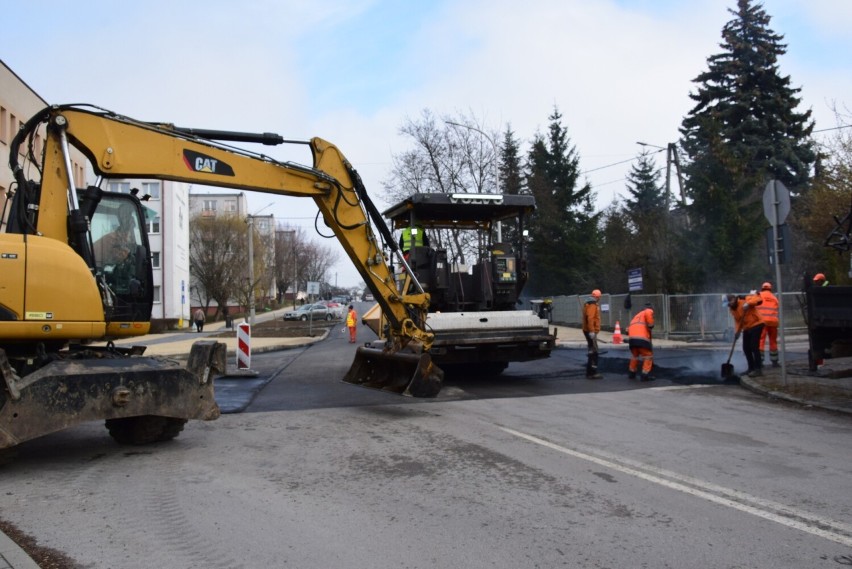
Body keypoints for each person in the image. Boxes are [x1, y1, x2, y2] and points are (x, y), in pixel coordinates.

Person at [727, 292, 765, 377]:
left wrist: (748, 303)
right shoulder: (732, 309)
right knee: (746, 348)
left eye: (729, 303)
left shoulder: (744, 299)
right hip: (747, 327)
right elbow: (738, 321)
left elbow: (758, 299)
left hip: (757, 324)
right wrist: (737, 331)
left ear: (733, 299)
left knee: (754, 346)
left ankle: (758, 369)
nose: (728, 305)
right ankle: (751, 368)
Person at [627, 302, 656, 382]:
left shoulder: (636, 316)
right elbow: (648, 313)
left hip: (632, 339)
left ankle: (632, 373)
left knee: (635, 355)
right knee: (648, 355)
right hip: (641, 338)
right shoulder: (648, 311)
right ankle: (645, 375)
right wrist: (651, 324)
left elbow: (628, 329)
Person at [757, 282, 780, 367]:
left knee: (761, 341)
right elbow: (777, 307)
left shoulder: (758, 295)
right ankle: (775, 362)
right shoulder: (774, 297)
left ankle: (760, 362)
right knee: (773, 342)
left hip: (762, 322)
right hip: (773, 322)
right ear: (770, 289)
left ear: (762, 288)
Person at [582, 289, 603, 379]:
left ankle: (589, 372)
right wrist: (591, 331)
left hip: (588, 330)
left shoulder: (588, 303)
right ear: (597, 297)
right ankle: (592, 372)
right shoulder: (592, 304)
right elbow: (590, 318)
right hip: (590, 331)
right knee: (594, 352)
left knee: (592, 350)